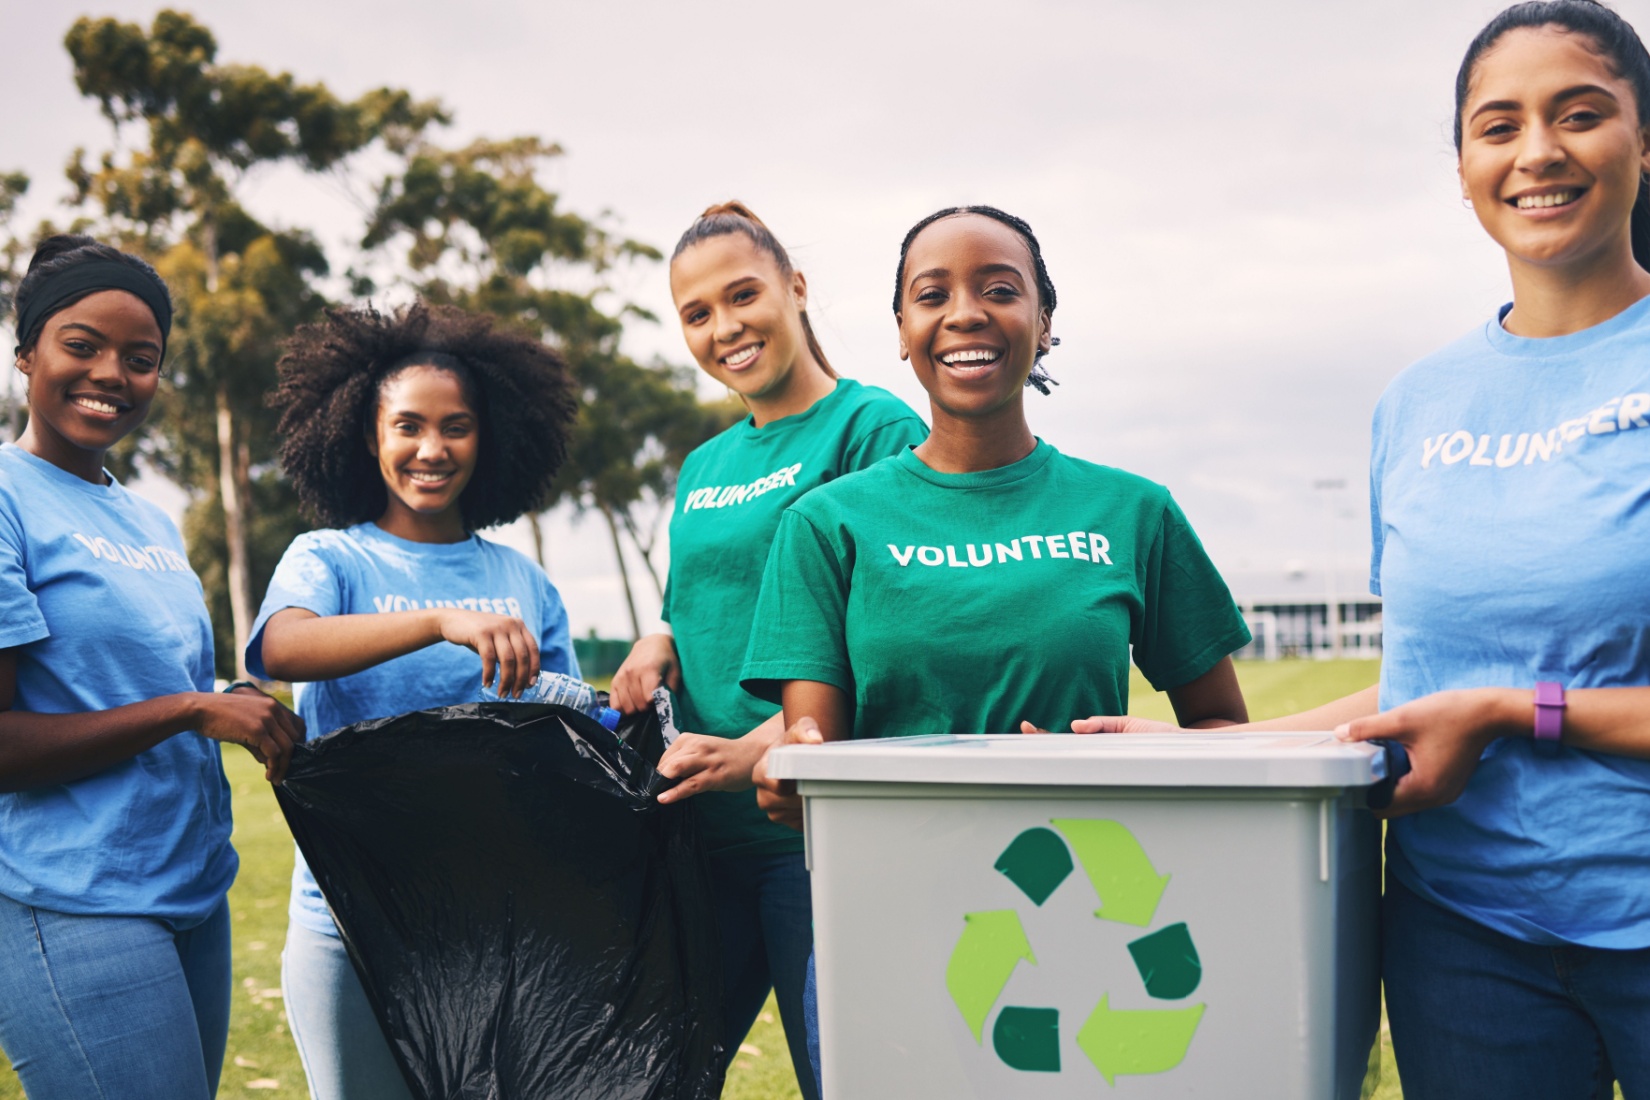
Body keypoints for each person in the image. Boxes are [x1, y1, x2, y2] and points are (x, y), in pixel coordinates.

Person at [1061, 5, 1650, 1095]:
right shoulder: (1416, 405)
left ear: (1643, 141)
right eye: (1498, 125)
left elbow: (1469, 701)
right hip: (1463, 938)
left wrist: (1512, 709)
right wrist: (1210, 745)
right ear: (1464, 164)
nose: (1538, 153)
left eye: (1580, 115)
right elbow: (1420, 686)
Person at [741, 206, 1253, 1094]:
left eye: (1000, 290)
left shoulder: (1133, 512)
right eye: (931, 295)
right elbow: (809, 749)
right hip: (894, 917)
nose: (966, 313)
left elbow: (1218, 727)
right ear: (902, 333)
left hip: (1098, 918)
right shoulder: (828, 525)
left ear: (1044, 322)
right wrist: (792, 774)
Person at [607, 201, 927, 1099]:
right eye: (697, 314)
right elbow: (698, 596)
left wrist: (765, 744)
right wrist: (656, 636)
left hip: (814, 835)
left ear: (795, 287)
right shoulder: (705, 465)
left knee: (854, 1079)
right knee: (648, 1081)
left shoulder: (873, 430)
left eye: (743, 295)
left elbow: (891, 633)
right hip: (699, 845)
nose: (725, 328)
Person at [249, 302, 580, 1100]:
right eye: (408, 426)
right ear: (369, 436)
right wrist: (438, 622)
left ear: (487, 439)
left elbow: (570, 730)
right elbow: (278, 646)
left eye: (456, 426)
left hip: (492, 926)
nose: (431, 449)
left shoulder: (524, 582)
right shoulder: (330, 556)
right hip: (349, 924)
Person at [0, 235, 303, 1098]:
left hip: (192, 893)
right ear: (26, 354)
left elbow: (153, 682)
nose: (110, 374)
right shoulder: (6, 497)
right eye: (81, 345)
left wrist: (224, 697)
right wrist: (191, 711)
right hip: (74, 898)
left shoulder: (151, 522)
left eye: (141, 359)